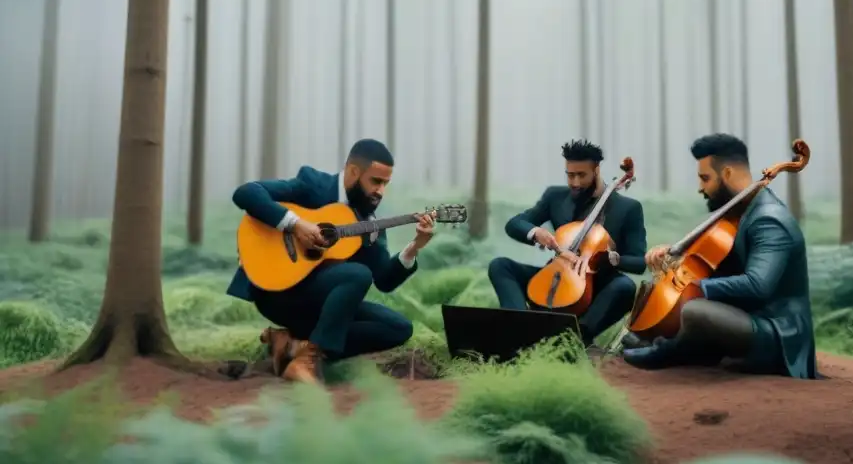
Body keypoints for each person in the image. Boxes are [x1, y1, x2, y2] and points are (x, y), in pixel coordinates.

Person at [226, 138, 435, 384]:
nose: (380, 191)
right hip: (276, 292)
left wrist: (415, 246)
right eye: (376, 181)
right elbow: (246, 193)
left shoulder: (369, 222)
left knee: (399, 327)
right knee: (357, 274)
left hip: (322, 308)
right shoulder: (313, 185)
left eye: (385, 184)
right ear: (354, 172)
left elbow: (385, 281)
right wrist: (296, 225)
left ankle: (293, 346)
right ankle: (310, 361)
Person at [621, 133, 818, 379]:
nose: (701, 187)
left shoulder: (769, 220)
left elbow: (758, 285)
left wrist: (698, 286)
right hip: (747, 313)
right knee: (684, 307)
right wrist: (672, 251)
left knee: (695, 311)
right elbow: (721, 256)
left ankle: (671, 350)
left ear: (726, 174)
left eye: (705, 178)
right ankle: (674, 342)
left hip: (776, 331)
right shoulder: (740, 211)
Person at [487, 139, 646, 347]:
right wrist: (536, 232)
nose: (576, 183)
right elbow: (514, 224)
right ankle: (521, 328)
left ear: (596, 171)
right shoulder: (555, 197)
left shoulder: (628, 208)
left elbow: (639, 262)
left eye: (582, 175)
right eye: (571, 175)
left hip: (596, 288)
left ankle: (575, 339)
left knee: (625, 287)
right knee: (500, 266)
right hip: (554, 276)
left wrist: (610, 258)